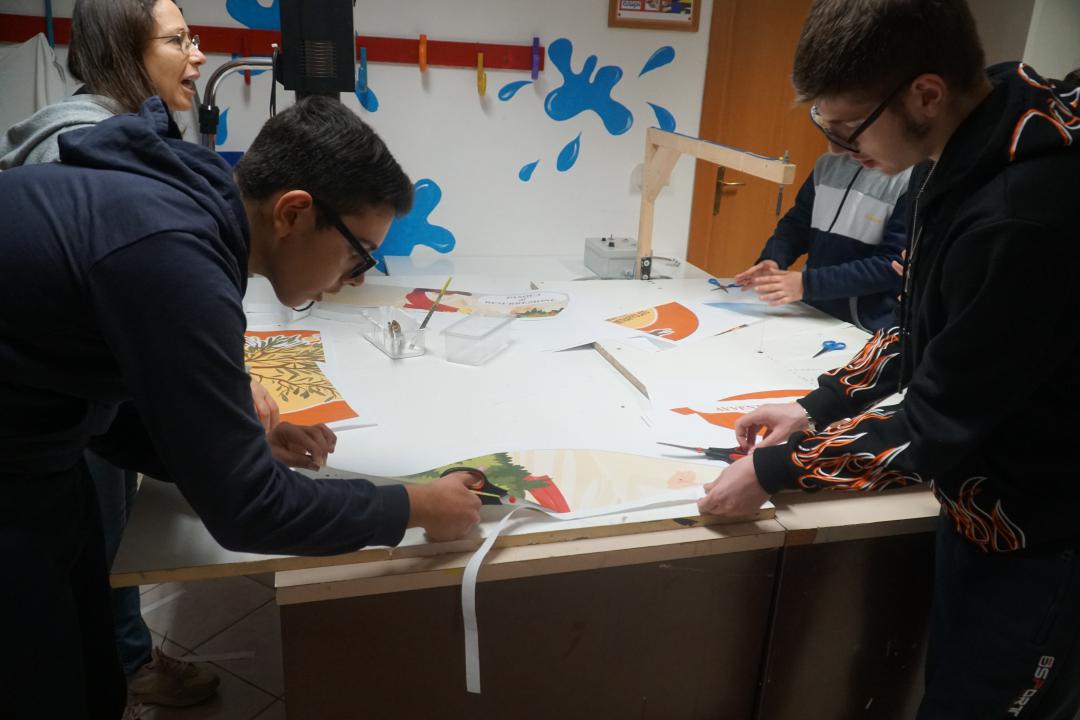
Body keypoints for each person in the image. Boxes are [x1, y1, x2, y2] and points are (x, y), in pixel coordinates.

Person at [0, 90, 483, 718]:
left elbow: (103, 404)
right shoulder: (175, 254)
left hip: (41, 444)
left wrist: (230, 440)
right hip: (16, 467)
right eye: (358, 252)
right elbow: (247, 510)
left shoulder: (186, 211)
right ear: (293, 213)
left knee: (93, 673)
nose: (357, 277)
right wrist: (414, 505)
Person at [698, 1, 1080, 718]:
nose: (840, 150)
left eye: (847, 130)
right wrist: (815, 406)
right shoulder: (969, 149)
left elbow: (934, 423)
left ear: (925, 94)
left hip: (1043, 534)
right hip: (977, 509)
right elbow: (926, 324)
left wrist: (774, 470)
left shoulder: (1020, 215)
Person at [0, 1, 281, 709]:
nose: (197, 55)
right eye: (179, 39)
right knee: (96, 553)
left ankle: (120, 658)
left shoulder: (118, 139)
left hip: (71, 413)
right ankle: (127, 660)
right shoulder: (80, 149)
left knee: (100, 550)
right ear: (125, 50)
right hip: (43, 427)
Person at [734, 152, 910, 331]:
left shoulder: (908, 179)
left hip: (863, 324)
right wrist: (774, 258)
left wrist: (806, 284)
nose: (837, 147)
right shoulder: (827, 164)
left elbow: (892, 264)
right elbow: (797, 223)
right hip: (810, 309)